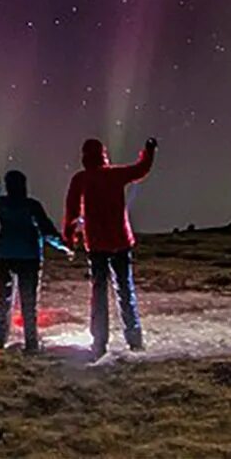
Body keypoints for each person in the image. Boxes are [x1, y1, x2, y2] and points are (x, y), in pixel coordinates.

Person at [63, 135, 157, 359]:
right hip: (120, 241)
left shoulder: (81, 179)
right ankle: (134, 340)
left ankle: (99, 341)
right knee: (125, 290)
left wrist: (69, 237)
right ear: (103, 154)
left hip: (96, 244)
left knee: (99, 293)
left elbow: (72, 211)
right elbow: (141, 169)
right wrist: (149, 151)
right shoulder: (115, 174)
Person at [0, 169, 70, 353]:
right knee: (29, 302)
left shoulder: (2, 203)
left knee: (4, 300)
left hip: (5, 255)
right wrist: (64, 247)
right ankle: (31, 343)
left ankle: (0, 341)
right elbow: (47, 231)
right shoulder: (32, 206)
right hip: (29, 257)